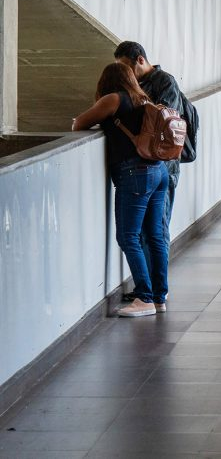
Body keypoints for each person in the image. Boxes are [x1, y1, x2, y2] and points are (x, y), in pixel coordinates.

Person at [72, 63, 169, 317]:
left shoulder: (113, 99)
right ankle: (159, 297)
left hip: (135, 174)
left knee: (128, 237)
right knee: (154, 236)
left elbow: (78, 124)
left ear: (106, 80)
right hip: (159, 171)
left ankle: (145, 297)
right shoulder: (143, 98)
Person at [113, 41, 188, 303]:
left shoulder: (164, 81)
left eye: (127, 68)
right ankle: (153, 291)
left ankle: (156, 292)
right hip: (150, 165)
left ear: (140, 60)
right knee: (146, 232)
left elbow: (162, 118)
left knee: (155, 231)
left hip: (162, 166)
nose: (126, 74)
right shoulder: (136, 85)